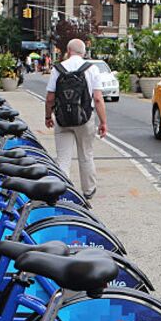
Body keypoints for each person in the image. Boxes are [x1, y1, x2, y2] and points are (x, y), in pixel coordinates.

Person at [44, 37, 107, 200]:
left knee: (63, 158)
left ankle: (62, 191)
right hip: (85, 118)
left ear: (68, 51)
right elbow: (98, 99)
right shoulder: (92, 69)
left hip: (62, 118)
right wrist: (103, 122)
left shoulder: (58, 69)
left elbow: (50, 98)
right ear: (84, 53)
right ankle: (88, 190)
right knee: (86, 155)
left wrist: (48, 116)